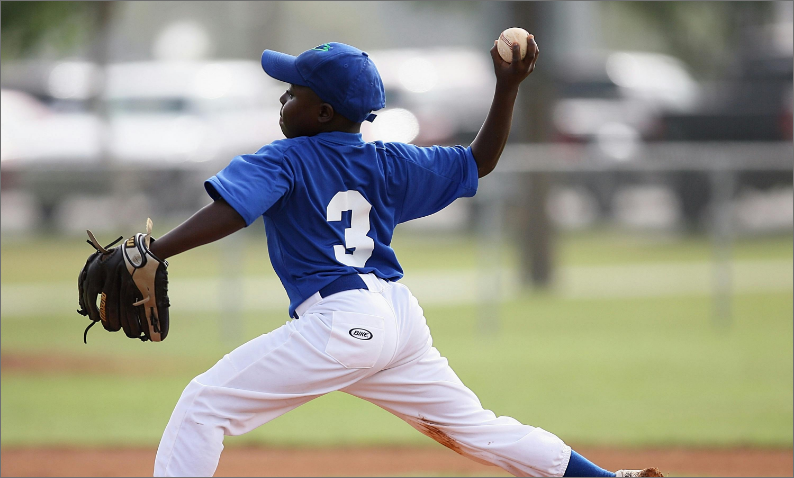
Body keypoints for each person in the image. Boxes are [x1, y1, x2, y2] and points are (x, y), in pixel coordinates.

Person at [149, 38, 661, 478]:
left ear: (323, 112)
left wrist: (155, 252)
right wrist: (507, 88)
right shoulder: (390, 160)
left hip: (341, 323)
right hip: (398, 319)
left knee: (204, 404)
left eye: (293, 91)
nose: (282, 98)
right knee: (476, 429)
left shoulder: (287, 157)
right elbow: (479, 161)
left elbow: (233, 211)